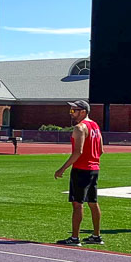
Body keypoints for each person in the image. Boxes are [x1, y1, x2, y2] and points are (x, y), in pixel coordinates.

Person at [54, 100, 104, 246]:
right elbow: (100, 150)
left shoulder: (80, 128)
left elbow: (78, 152)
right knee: (93, 202)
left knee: (77, 203)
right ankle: (96, 235)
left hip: (82, 169)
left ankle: (75, 238)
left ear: (83, 111)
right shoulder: (95, 126)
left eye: (73, 110)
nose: (71, 113)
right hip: (94, 169)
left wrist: (62, 168)